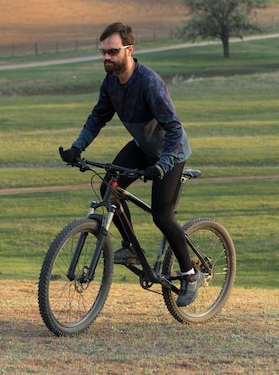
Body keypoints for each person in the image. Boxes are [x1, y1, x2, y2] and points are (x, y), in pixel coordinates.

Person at [59, 22, 202, 307]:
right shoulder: (111, 83)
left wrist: (162, 164)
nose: (106, 57)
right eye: (103, 52)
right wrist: (78, 147)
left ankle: (189, 274)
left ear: (129, 50)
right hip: (142, 147)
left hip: (169, 153)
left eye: (112, 51)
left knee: (162, 216)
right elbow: (98, 116)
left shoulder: (149, 82)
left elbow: (173, 127)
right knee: (108, 186)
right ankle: (130, 248)